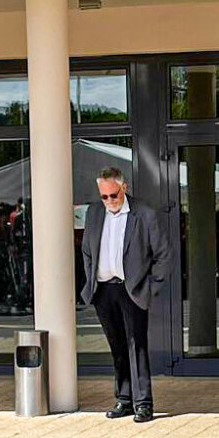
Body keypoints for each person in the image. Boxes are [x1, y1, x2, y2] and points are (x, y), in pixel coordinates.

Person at [78, 167, 169, 423]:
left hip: (133, 289)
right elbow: (87, 250)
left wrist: (150, 287)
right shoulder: (94, 212)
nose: (109, 201)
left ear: (124, 188)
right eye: (104, 196)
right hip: (103, 290)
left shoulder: (144, 213)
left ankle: (143, 403)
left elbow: (163, 254)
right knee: (116, 346)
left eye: (113, 195)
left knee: (136, 345)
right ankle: (124, 399)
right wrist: (92, 279)